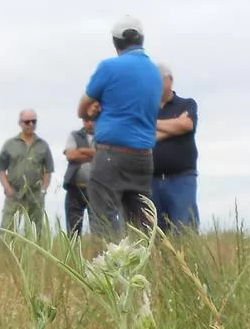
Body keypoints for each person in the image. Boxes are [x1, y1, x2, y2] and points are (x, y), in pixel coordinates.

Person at [78, 16, 162, 237]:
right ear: (141, 39)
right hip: (143, 157)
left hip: (111, 156)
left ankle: (109, 267)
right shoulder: (155, 72)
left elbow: (83, 108)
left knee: (103, 218)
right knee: (141, 222)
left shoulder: (108, 67)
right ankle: (145, 267)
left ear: (116, 43)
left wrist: (92, 111)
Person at [152, 65, 199, 231]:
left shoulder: (186, 104)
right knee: (154, 234)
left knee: (184, 230)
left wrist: (153, 124)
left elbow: (186, 125)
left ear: (170, 80)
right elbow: (141, 135)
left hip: (181, 179)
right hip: (151, 180)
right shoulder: (146, 109)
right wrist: (174, 127)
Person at [0, 109, 54, 239]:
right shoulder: (10, 144)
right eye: (27, 122)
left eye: (34, 121)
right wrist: (7, 187)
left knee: (35, 230)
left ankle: (36, 257)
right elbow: (1, 169)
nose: (31, 124)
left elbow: (48, 170)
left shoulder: (43, 145)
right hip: (14, 193)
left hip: (35, 193)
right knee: (8, 229)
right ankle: (7, 257)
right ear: (20, 123)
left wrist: (43, 190)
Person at [62, 105, 98, 237]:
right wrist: (93, 154)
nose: (89, 122)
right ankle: (73, 255)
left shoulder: (104, 136)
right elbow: (71, 155)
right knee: (73, 228)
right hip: (75, 188)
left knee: (98, 228)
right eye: (86, 120)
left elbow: (105, 154)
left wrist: (81, 150)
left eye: (92, 119)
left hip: (97, 189)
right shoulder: (74, 135)